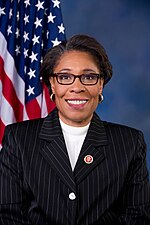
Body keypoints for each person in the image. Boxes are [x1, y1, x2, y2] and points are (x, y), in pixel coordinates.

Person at [0, 34, 149, 225]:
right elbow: (7, 215)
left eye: (88, 77)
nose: (77, 87)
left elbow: (137, 217)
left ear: (101, 84)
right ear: (52, 84)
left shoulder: (129, 142)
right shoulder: (18, 139)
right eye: (64, 77)